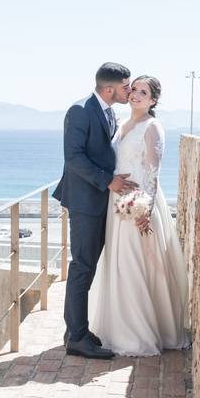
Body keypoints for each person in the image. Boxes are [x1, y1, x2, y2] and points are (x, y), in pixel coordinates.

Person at [88, 75, 189, 356]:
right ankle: (118, 328)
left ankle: (138, 333)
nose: (136, 95)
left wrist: (143, 207)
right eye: (134, 90)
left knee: (135, 264)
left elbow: (152, 172)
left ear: (153, 100)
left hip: (138, 202)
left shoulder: (152, 126)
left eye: (143, 92)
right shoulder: (122, 125)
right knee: (119, 263)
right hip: (116, 202)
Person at [53, 62, 137, 359]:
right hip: (86, 202)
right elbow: (73, 157)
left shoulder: (109, 111)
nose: (130, 91)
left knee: (88, 268)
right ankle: (77, 338)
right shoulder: (80, 110)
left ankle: (76, 329)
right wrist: (108, 182)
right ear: (109, 88)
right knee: (82, 267)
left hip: (102, 200)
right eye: (126, 87)